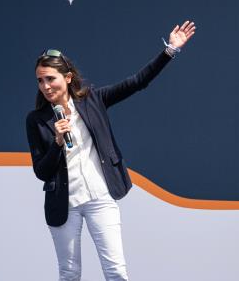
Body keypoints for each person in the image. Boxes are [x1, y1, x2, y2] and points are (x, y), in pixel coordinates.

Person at [26, 21, 196, 281]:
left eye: (51, 79)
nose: (46, 86)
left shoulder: (92, 99)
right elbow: (42, 171)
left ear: (67, 78)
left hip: (99, 197)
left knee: (115, 271)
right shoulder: (36, 120)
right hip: (64, 203)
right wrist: (58, 142)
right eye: (40, 81)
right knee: (69, 273)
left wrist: (170, 50)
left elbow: (137, 82)